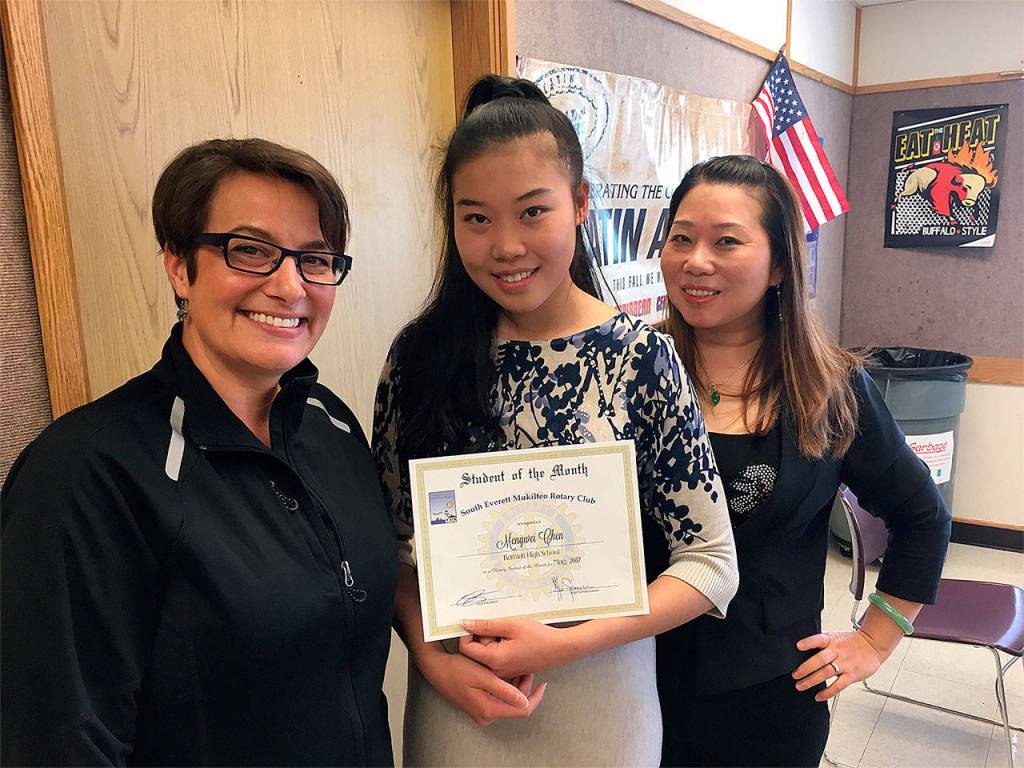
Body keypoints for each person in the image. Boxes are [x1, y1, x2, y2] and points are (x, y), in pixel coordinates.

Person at [371, 75, 739, 767]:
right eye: (476, 218)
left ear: (579, 205)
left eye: (532, 212)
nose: (505, 245)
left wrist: (565, 643)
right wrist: (431, 658)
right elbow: (390, 551)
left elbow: (712, 565)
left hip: (603, 708)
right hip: (460, 709)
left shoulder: (642, 358)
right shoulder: (418, 360)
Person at [1, 139, 397, 766]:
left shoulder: (335, 430)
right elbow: (58, 740)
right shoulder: (86, 474)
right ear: (180, 266)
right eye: (251, 251)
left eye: (315, 259)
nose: (290, 286)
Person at [656, 155, 951, 767]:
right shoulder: (631, 372)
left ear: (781, 266)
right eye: (680, 238)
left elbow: (923, 516)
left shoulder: (830, 386)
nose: (695, 261)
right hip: (629, 679)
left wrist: (875, 637)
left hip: (770, 699)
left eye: (726, 241)